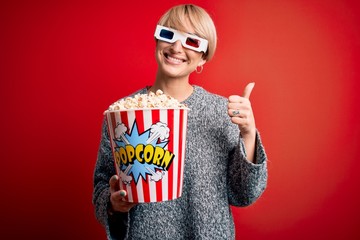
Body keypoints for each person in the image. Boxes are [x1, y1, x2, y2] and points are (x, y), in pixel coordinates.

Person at [93, 4, 267, 240]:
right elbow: (102, 187)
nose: (177, 47)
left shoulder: (221, 112)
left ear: (202, 58)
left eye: (192, 42)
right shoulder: (121, 113)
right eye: (169, 34)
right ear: (156, 40)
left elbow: (244, 194)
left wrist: (248, 133)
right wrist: (113, 205)